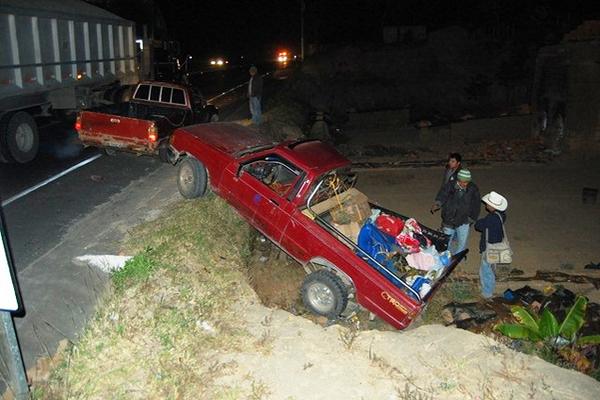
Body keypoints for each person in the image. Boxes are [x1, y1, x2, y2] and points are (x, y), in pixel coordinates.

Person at [430, 169, 481, 255]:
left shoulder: (473, 189)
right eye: (461, 181)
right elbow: (442, 195)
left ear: (469, 181)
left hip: (464, 220)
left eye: (465, 182)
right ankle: (447, 254)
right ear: (457, 179)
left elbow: (476, 206)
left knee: (462, 241)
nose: (463, 184)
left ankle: (458, 256)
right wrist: (437, 204)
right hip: (448, 218)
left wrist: (471, 219)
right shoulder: (450, 186)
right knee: (446, 240)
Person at [474, 191, 508, 299]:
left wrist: (482, 221)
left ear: (493, 206)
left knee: (485, 270)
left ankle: (487, 293)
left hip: (490, 248)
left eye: (488, 204)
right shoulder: (501, 215)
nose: (486, 205)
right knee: (492, 268)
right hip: (498, 247)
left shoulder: (491, 218)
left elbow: (478, 225)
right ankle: (490, 288)